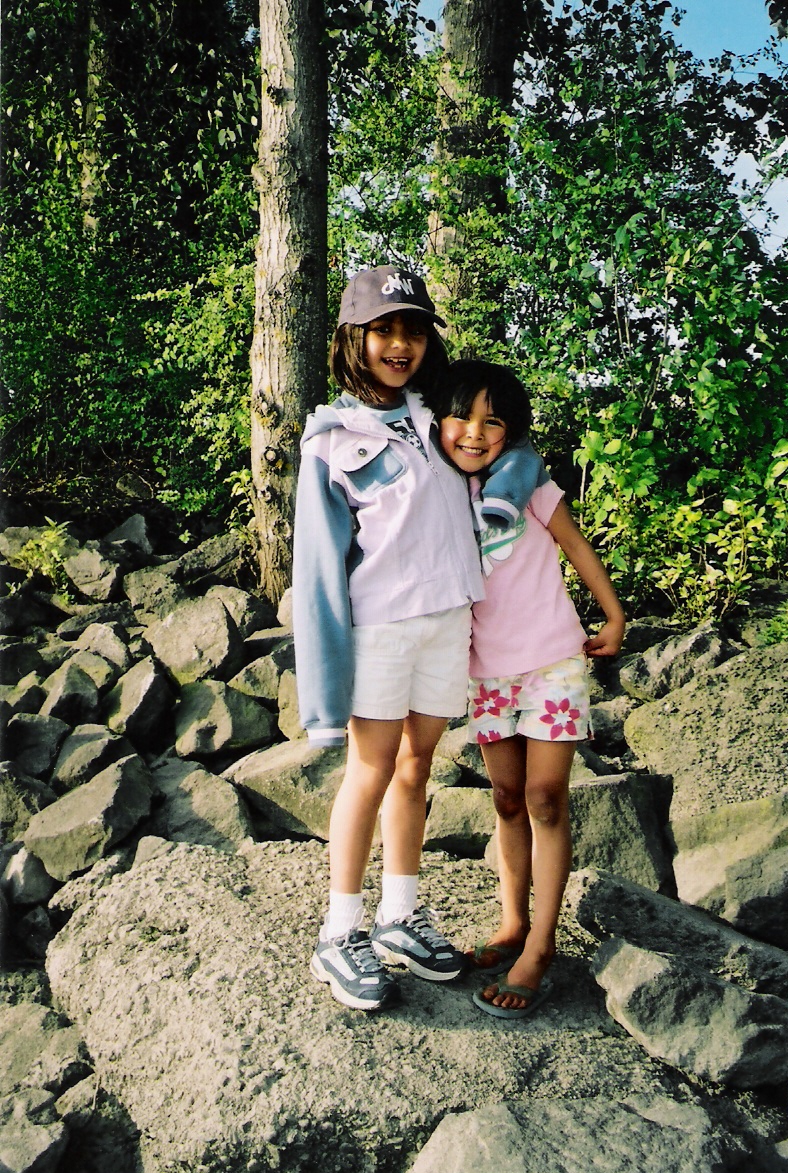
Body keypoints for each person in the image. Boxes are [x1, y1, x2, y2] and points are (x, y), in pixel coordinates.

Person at [292, 265, 486, 1011]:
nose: (399, 344)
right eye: (384, 329)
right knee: (369, 771)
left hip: (448, 622)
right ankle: (339, 930)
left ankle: (399, 914)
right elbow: (317, 575)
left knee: (418, 766)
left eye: (411, 329)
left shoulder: (442, 423)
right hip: (380, 634)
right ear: (354, 338)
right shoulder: (330, 442)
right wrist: (321, 697)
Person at [434, 359, 626, 1020]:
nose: (475, 432)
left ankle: (540, 947)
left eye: (493, 421)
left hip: (551, 658)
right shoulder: (439, 496)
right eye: (462, 416)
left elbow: (575, 546)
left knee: (546, 796)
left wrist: (614, 612)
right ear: (439, 422)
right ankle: (512, 921)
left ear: (511, 432)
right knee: (507, 797)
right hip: (487, 671)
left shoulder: (531, 482)